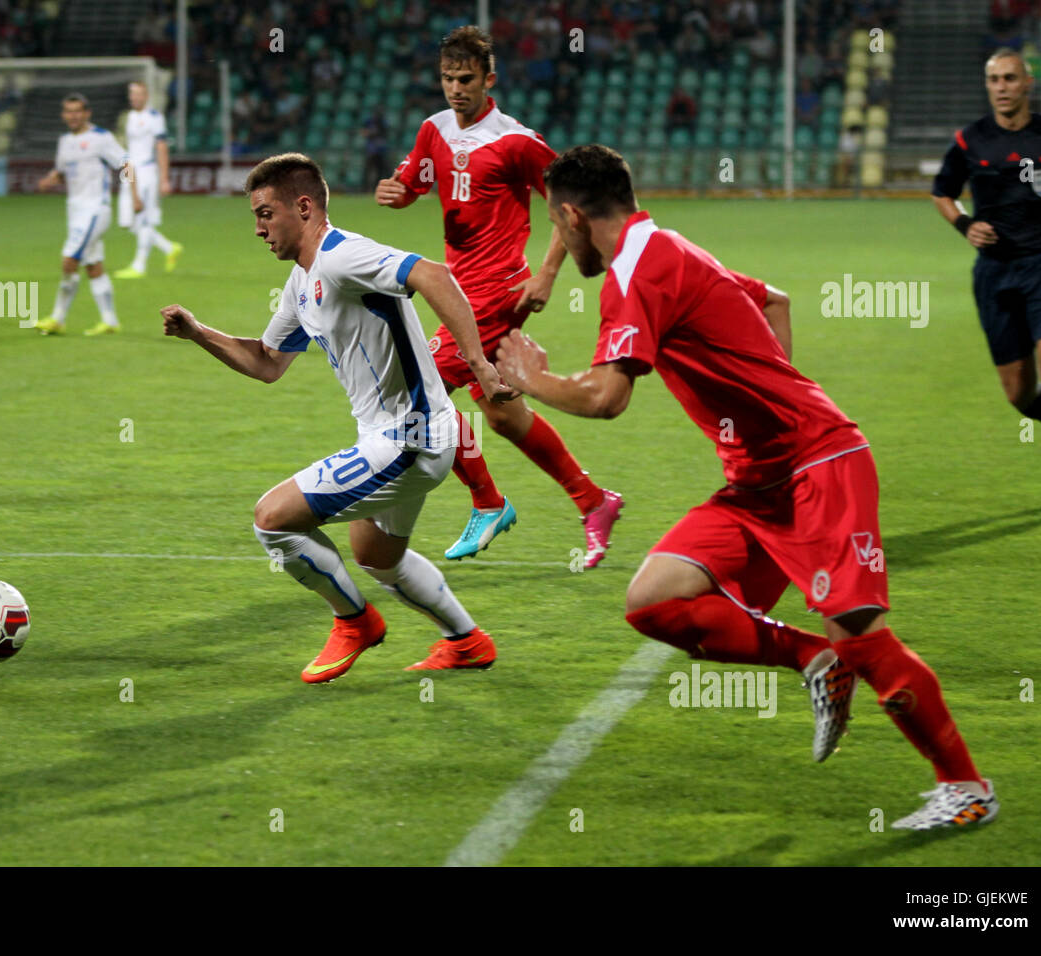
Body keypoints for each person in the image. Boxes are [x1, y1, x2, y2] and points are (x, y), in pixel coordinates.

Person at [496, 145, 997, 830]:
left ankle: (967, 788)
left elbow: (608, 398)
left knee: (859, 631)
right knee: (654, 601)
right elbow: (775, 301)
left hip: (819, 464)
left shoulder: (637, 272)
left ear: (573, 214)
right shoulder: (665, 245)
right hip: (761, 480)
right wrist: (765, 405)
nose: (556, 237)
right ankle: (815, 661)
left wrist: (530, 380)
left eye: (553, 223)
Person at [160, 153, 515, 682]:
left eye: (265, 213)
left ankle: (355, 621)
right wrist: (199, 333)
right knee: (376, 554)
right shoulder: (302, 282)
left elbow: (433, 275)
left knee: (273, 519)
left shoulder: (341, 255)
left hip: (410, 438)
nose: (258, 229)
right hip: (404, 437)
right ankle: (466, 642)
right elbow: (266, 362)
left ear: (303, 207)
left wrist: (481, 367)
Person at [376, 26, 623, 566]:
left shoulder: (516, 141)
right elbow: (413, 183)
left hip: (499, 291)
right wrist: (395, 194)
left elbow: (567, 205)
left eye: (466, 79)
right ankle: (594, 501)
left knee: (423, 386)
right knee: (503, 416)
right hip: (457, 288)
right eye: (447, 79)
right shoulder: (433, 130)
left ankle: (488, 502)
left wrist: (548, 275)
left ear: (490, 80)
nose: (455, 89)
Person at [932, 48, 1041, 517]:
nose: (1001, 86)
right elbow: (942, 192)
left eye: (1010, 78)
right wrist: (964, 225)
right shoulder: (971, 140)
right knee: (1019, 393)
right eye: (993, 79)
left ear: (1027, 84)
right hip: (995, 274)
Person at [34, 94, 137, 337]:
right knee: (93, 266)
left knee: (69, 260)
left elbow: (127, 163)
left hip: (95, 210)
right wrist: (50, 180)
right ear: (63, 115)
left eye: (78, 111)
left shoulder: (100, 138)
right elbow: (61, 172)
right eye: (69, 111)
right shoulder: (65, 141)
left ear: (87, 113)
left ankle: (58, 318)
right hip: (75, 211)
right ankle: (110, 320)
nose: (73, 116)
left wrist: (133, 196)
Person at [115, 81, 184, 279]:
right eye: (132, 94)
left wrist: (164, 179)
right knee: (127, 222)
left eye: (138, 94)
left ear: (146, 96)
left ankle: (139, 265)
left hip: (146, 171)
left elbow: (161, 147)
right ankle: (169, 247)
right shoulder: (128, 118)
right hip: (129, 171)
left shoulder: (154, 117)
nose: (134, 97)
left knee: (144, 219)